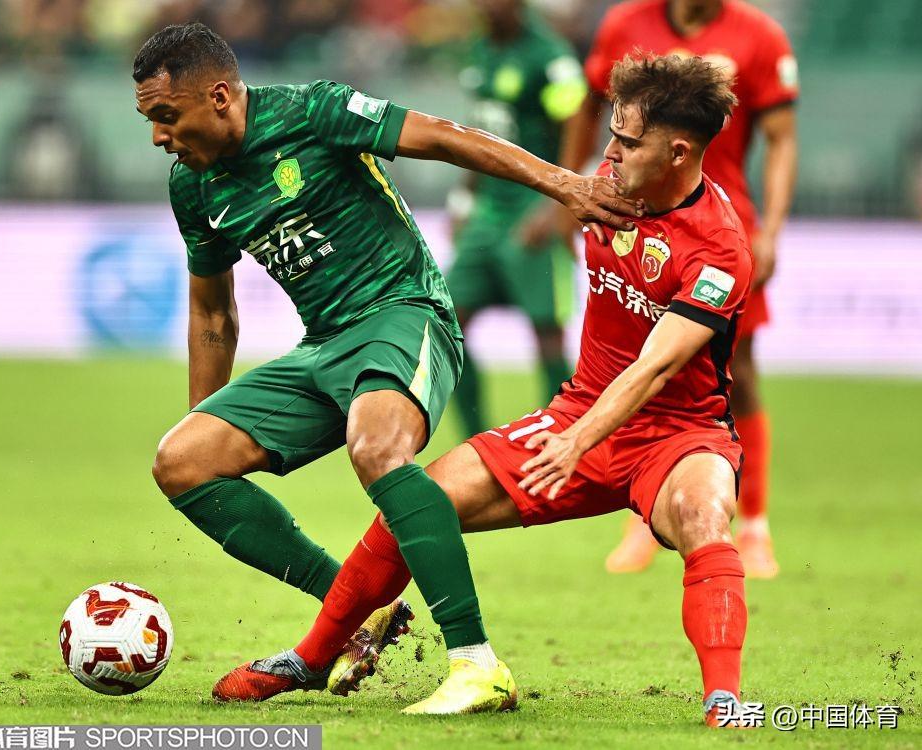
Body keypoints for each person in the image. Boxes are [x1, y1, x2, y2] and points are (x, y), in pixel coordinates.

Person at [236, 53, 756, 725]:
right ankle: (313, 656)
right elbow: (505, 161)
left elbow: (655, 368)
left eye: (628, 143)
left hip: (678, 435)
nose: (609, 153)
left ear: (679, 152)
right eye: (612, 136)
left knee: (703, 514)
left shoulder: (719, 248)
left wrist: (578, 440)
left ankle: (724, 701)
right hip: (580, 411)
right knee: (418, 502)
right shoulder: (606, 187)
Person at [132, 23, 641, 704]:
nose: (158, 136)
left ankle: (476, 663)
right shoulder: (193, 188)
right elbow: (212, 315)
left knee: (375, 446)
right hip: (323, 345)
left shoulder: (312, 112)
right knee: (181, 460)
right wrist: (206, 415)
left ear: (219, 96)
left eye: (167, 116)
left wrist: (563, 184)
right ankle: (356, 608)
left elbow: (442, 136)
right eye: (151, 120)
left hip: (404, 312)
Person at [525, 0, 798, 577]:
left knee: (737, 373)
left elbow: (781, 140)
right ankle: (644, 507)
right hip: (636, 212)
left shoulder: (760, 36)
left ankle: (754, 523)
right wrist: (572, 191)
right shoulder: (625, 24)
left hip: (717, 230)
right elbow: (588, 109)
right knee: (636, 356)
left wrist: (772, 229)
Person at [446, 0, 587, 437]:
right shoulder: (481, 50)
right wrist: (464, 198)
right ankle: (475, 441)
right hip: (487, 209)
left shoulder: (548, 56)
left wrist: (559, 201)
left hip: (533, 205)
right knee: (446, 322)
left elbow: (577, 122)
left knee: (546, 331)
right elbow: (477, 133)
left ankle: (559, 441)